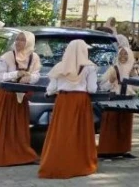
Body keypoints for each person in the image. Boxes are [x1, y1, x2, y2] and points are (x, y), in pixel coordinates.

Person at [38, 39, 98, 179]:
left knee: (61, 132)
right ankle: (77, 163)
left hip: (63, 102)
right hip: (80, 102)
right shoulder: (90, 67)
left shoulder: (60, 66)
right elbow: (92, 89)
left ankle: (56, 162)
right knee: (78, 133)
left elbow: (51, 89)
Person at [0, 30, 40, 167]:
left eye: (22, 40)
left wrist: (28, 78)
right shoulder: (7, 56)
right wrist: (16, 73)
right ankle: (1, 156)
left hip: (21, 96)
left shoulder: (34, 57)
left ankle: (19, 155)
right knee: (4, 127)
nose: (19, 42)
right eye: (17, 39)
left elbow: (36, 74)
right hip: (6, 96)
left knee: (18, 127)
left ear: (29, 42)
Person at [98, 34, 137, 159]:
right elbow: (103, 86)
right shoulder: (113, 68)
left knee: (125, 125)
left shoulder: (132, 70)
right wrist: (111, 80)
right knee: (112, 124)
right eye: (121, 54)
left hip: (127, 100)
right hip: (114, 99)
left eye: (126, 55)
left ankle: (123, 149)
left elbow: (137, 88)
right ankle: (107, 150)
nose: (123, 57)